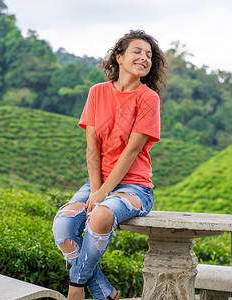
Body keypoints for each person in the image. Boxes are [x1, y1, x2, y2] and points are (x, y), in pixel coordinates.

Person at [52, 30, 167, 300]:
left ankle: (77, 286)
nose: (144, 58)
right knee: (63, 226)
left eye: (149, 55)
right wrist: (96, 189)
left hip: (136, 187)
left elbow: (132, 150)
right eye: (137, 52)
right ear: (119, 57)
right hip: (99, 182)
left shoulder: (148, 98)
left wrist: (103, 194)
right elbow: (93, 147)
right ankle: (104, 292)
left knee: (102, 215)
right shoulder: (97, 93)